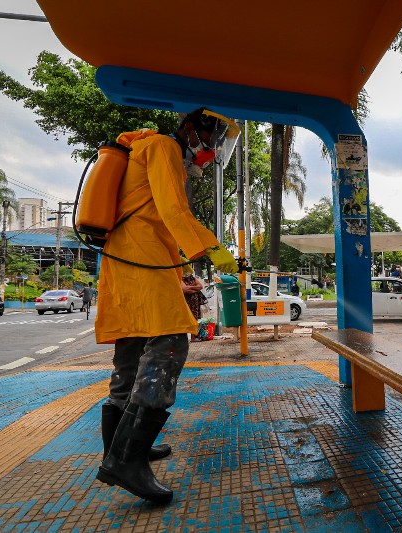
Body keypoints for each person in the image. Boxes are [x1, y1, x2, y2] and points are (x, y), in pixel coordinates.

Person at [94, 107, 239, 505]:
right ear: (190, 129)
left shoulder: (151, 150)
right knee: (171, 342)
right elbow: (175, 210)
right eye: (213, 139)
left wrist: (185, 267)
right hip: (140, 258)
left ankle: (118, 449)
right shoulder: (162, 147)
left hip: (129, 260)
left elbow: (158, 216)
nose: (212, 149)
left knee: (131, 352)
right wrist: (213, 248)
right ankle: (127, 459)